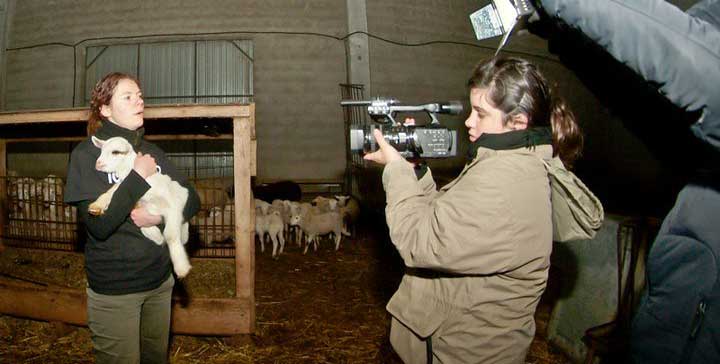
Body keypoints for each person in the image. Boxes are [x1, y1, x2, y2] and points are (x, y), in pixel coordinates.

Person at [530, 1, 720, 362]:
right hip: (665, 333)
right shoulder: (709, 160)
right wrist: (567, 37)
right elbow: (652, 107)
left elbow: (690, 64)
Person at [363, 56, 584, 364]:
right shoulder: (507, 163)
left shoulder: (504, 182)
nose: (469, 121)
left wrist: (396, 171)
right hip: (455, 339)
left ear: (518, 122)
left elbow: (420, 242)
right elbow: (447, 220)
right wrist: (413, 169)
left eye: (480, 113)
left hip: (462, 352)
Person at [64, 72, 201, 364]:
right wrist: (137, 176)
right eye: (128, 96)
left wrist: (159, 218)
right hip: (116, 290)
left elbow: (193, 199)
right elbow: (99, 225)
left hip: (159, 283)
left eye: (139, 95)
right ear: (105, 109)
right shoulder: (87, 156)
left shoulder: (152, 153)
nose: (139, 101)